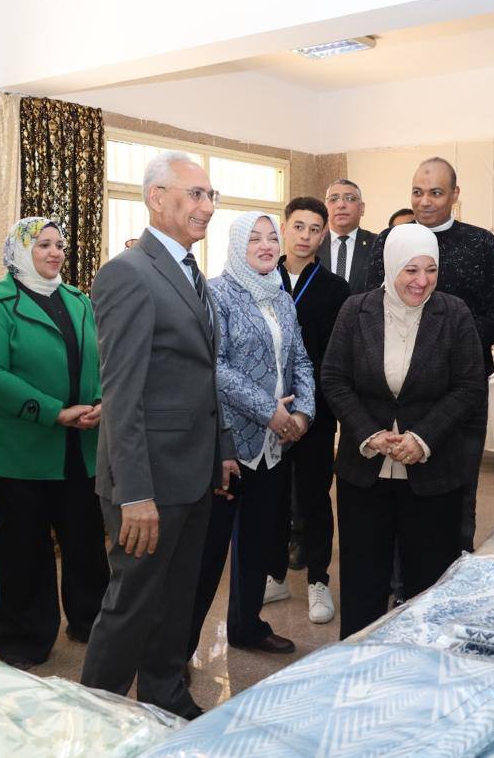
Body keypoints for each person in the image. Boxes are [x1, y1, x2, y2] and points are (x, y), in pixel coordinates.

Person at [80, 152, 238, 721]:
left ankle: (165, 696)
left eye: (211, 195)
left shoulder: (191, 273)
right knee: (132, 605)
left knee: (176, 600)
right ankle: (93, 715)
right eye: (195, 194)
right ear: (156, 198)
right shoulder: (128, 272)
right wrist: (135, 494)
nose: (207, 206)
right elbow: (121, 395)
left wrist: (221, 452)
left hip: (191, 474)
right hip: (147, 481)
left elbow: (200, 376)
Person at [0, 218, 108, 670]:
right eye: (43, 244)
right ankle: (24, 639)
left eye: (59, 244)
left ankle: (91, 621)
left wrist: (101, 402)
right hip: (15, 453)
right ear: (20, 251)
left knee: (85, 540)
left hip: (78, 446)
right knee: (25, 546)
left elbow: (102, 358)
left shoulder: (79, 300)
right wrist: (52, 411)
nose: (55, 252)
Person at [323, 223, 486, 638]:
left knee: (427, 582)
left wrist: (422, 438)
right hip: (365, 472)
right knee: (363, 580)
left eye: (431, 270)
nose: (422, 281)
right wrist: (369, 433)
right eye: (411, 270)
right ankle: (359, 658)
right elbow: (334, 378)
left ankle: (419, 663)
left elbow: (469, 386)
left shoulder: (454, 313)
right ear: (391, 266)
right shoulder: (355, 310)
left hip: (433, 473)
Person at [366, 157, 494, 549]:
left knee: (459, 495)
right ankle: (402, 579)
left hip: (463, 389)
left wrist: (452, 344)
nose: (425, 201)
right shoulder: (389, 241)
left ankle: (455, 572)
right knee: (397, 491)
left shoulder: (480, 243)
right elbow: (369, 306)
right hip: (398, 389)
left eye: (435, 192)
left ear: (455, 195)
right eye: (417, 192)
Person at [189, 212, 315, 657]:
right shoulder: (215, 293)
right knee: (208, 556)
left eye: (271, 238)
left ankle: (247, 626)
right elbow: (215, 366)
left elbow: (301, 360)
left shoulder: (281, 297)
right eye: (254, 239)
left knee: (257, 544)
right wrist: (269, 411)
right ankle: (178, 650)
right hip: (227, 445)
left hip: (274, 446)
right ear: (237, 246)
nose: (265, 246)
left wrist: (302, 414)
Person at [265, 196, 350, 624]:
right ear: (284, 228)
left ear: (324, 235)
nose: (305, 236)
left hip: (315, 413)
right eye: (298, 226)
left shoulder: (336, 290)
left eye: (315, 229)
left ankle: (318, 579)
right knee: (273, 497)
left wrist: (306, 411)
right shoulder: (263, 279)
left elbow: (335, 358)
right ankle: (275, 574)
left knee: (315, 498)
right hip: (266, 411)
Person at [319, 178, 377, 292]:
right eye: (333, 199)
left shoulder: (378, 244)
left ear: (362, 208)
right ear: (326, 208)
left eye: (350, 199)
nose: (341, 205)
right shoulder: (314, 245)